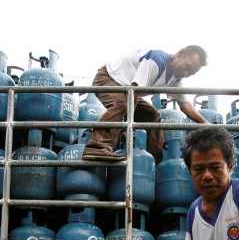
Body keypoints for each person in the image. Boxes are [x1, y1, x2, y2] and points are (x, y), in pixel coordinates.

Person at [81, 47, 210, 164]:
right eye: (187, 67)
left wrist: (205, 124)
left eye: (190, 73)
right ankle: (97, 146)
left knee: (153, 117)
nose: (186, 74)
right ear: (181, 53)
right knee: (121, 104)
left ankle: (153, 162)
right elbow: (135, 91)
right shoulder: (156, 60)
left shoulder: (174, 78)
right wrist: (127, 126)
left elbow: (185, 104)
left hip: (126, 90)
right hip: (108, 78)